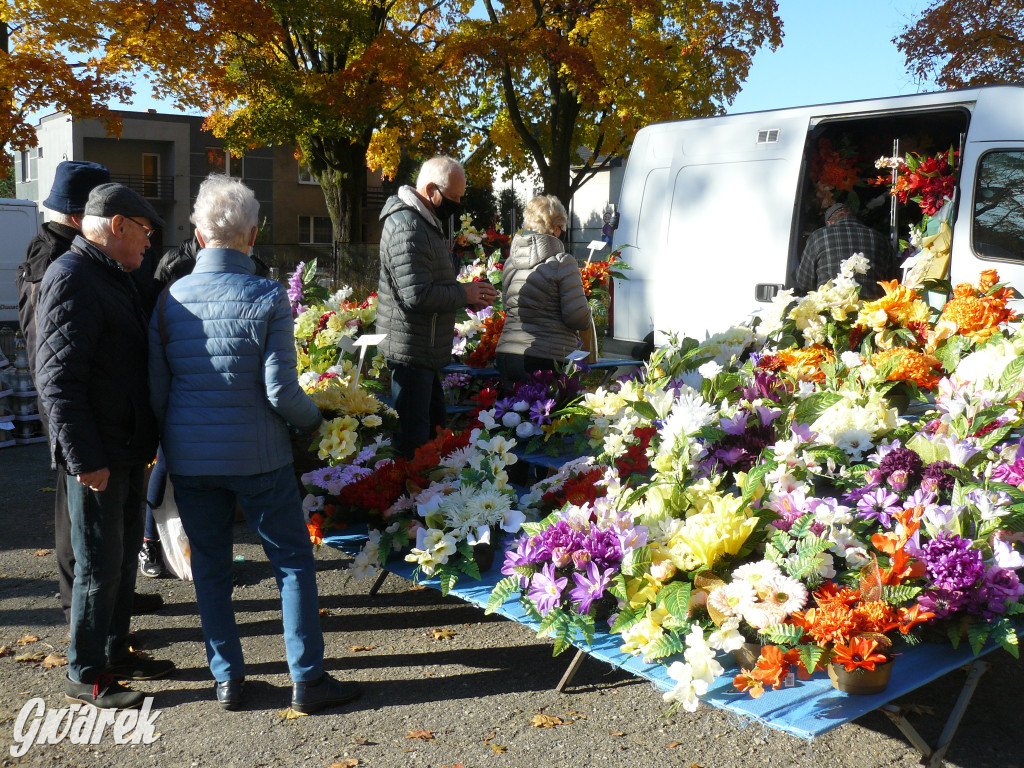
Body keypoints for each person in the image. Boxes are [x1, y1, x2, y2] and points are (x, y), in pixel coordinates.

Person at [148, 174, 360, 713]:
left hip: (192, 458)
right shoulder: (266, 296)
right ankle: (307, 680)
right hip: (260, 457)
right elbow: (281, 391)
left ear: (197, 235)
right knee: (291, 563)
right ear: (253, 234)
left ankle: (228, 680)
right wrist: (316, 421)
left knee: (211, 568)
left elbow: (157, 390)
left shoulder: (169, 298)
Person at [35, 183, 175, 710]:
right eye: (144, 232)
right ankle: (86, 671)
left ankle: (116, 650)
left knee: (115, 561)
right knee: (98, 563)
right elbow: (57, 381)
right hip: (98, 454)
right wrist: (84, 458)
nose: (148, 244)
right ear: (118, 225)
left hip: (123, 447)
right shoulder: (73, 277)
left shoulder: (109, 275)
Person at [17, 161, 165, 616]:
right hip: (82, 418)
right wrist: (79, 445)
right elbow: (57, 369)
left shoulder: (82, 260)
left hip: (96, 415)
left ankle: (110, 608)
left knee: (106, 533)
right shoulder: (63, 266)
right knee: (82, 527)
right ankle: (81, 615)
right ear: (88, 216)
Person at [376, 155, 497, 458]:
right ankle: (411, 500)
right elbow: (416, 295)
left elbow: (434, 281)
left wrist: (467, 293)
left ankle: (426, 496)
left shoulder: (425, 222)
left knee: (433, 435)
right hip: (411, 352)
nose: (457, 204)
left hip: (423, 351)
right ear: (431, 189)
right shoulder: (407, 226)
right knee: (415, 443)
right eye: (453, 198)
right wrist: (463, 294)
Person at [495, 195, 592, 383]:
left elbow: (507, 307)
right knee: (549, 411)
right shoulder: (563, 262)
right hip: (547, 357)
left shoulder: (510, 263)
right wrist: (589, 313)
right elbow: (577, 317)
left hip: (507, 354)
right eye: (563, 228)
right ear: (556, 229)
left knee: (513, 412)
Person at [794, 203, 896, 300]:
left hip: (831, 309)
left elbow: (804, 282)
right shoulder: (880, 238)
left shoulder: (818, 237)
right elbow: (893, 281)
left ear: (830, 223)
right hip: (872, 313)